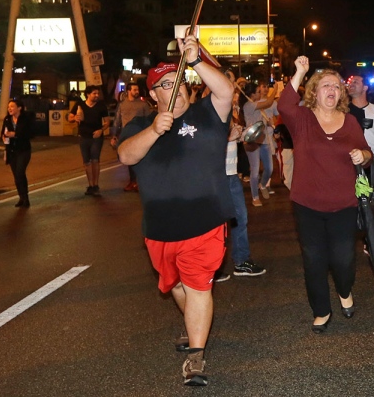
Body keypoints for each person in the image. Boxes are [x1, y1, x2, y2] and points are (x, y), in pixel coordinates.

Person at [118, 36, 234, 387]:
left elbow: (226, 91)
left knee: (198, 286)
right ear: (153, 95)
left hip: (206, 222)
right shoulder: (140, 125)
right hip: (159, 229)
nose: (176, 89)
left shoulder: (209, 113)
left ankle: (196, 358)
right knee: (176, 287)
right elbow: (126, 156)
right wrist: (154, 131)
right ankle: (193, 326)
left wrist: (196, 59)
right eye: (167, 84)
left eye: (180, 81)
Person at [280, 56, 372, 333]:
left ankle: (345, 290)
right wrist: (300, 72)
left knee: (344, 259)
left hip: (343, 204)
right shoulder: (302, 119)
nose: (331, 90)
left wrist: (362, 155)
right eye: (325, 86)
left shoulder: (351, 122)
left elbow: (368, 154)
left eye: (336, 86)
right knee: (313, 259)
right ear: (314, 92)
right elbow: (284, 104)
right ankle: (321, 309)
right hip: (307, 205)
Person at [223, 116, 266, 279]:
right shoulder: (208, 113)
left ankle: (241, 261)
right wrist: (229, 138)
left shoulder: (228, 113)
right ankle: (210, 268)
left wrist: (241, 136)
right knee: (215, 225)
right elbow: (205, 147)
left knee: (240, 218)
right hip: (217, 177)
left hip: (232, 176)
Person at [110, 80, 154, 192]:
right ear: (128, 91)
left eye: (137, 89)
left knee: (141, 159)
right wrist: (114, 135)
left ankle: (140, 182)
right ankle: (133, 181)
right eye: (134, 90)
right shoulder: (122, 104)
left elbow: (149, 120)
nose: (137, 91)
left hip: (140, 134)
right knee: (129, 160)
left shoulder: (143, 104)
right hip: (126, 135)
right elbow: (117, 120)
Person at [68, 86, 108, 196]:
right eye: (94, 93)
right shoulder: (79, 105)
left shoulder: (101, 106)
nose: (97, 95)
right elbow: (70, 117)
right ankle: (90, 185)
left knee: (95, 160)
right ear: (88, 94)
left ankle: (96, 184)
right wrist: (74, 118)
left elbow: (107, 122)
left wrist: (101, 130)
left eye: (97, 93)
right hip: (83, 137)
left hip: (96, 137)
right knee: (87, 162)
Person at [243, 83, 276, 206]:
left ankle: (262, 184)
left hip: (264, 139)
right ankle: (255, 197)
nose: (260, 93)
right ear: (252, 94)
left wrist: (268, 123)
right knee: (255, 171)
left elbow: (263, 122)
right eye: (258, 92)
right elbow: (268, 103)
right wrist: (276, 90)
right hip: (252, 141)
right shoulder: (248, 105)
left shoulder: (257, 107)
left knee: (269, 168)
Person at [2, 98, 34, 208]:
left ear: (19, 108)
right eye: (8, 107)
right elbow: (4, 133)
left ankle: (26, 198)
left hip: (23, 150)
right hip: (11, 151)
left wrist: (14, 134)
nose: (9, 109)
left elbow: (29, 133)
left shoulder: (26, 118)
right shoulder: (7, 119)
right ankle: (22, 197)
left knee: (20, 172)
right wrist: (5, 138)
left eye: (12, 106)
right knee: (16, 176)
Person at [347, 75, 374, 160]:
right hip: (348, 159)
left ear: (365, 87)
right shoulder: (342, 111)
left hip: (372, 159)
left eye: (355, 82)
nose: (351, 84)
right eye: (350, 82)